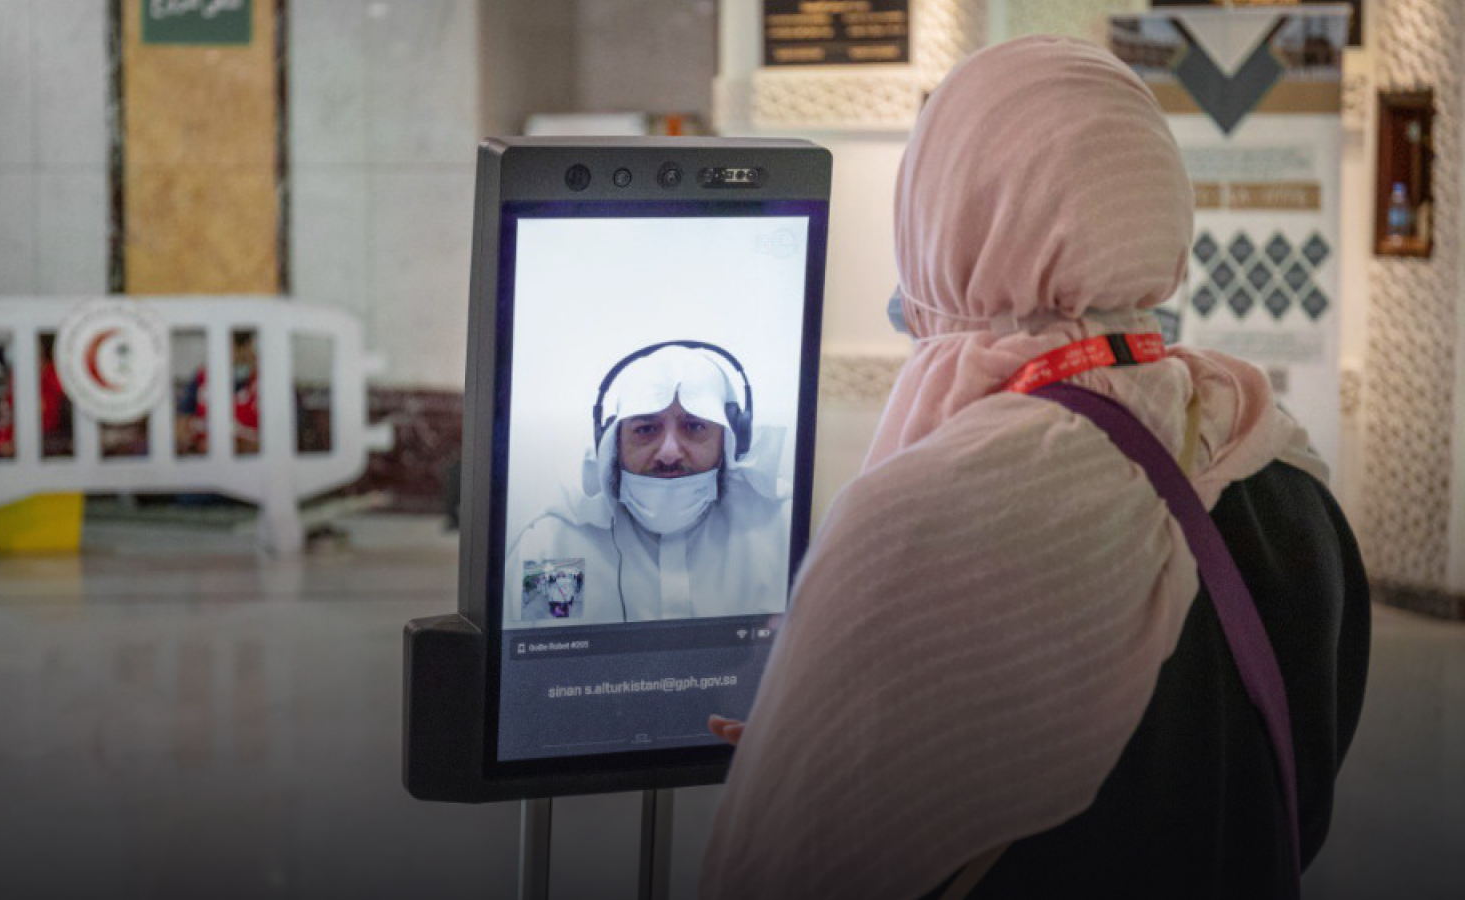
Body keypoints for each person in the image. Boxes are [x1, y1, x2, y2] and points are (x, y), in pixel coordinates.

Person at [700, 37, 1369, 900]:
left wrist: (804, 778)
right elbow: (1289, 811)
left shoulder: (916, 521)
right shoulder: (1284, 474)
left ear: (948, 220)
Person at [504, 343, 790, 627]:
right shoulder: (555, 545)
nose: (669, 452)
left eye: (694, 426)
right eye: (646, 429)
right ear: (612, 442)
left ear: (731, 440)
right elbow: (539, 663)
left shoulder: (781, 532)